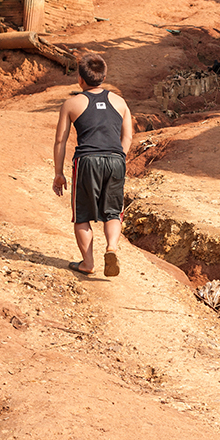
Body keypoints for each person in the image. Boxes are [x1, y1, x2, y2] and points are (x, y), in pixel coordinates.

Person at [52, 53, 133, 277]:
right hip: (116, 160)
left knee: (83, 215)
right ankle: (111, 248)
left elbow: (60, 140)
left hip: (87, 161)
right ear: (104, 76)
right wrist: (118, 157)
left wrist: (58, 173)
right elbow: (127, 137)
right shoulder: (120, 102)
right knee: (113, 213)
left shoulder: (71, 103)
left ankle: (88, 263)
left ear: (80, 78)